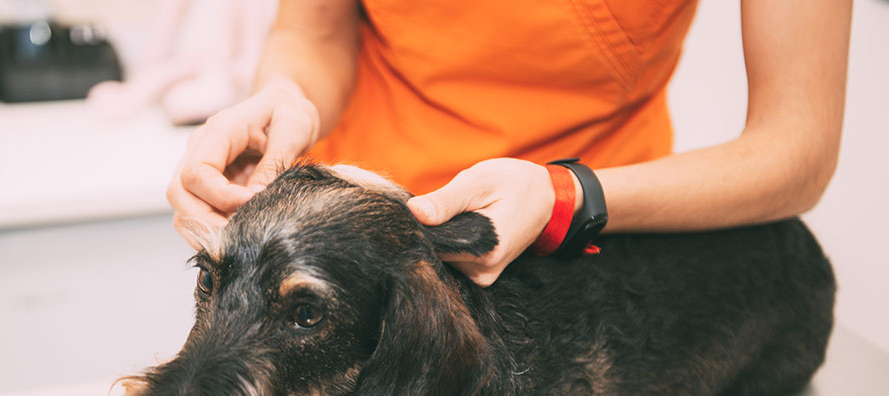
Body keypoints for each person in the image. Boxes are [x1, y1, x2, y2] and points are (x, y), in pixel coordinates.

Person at [166, 0, 851, 286]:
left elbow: (797, 147)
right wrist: (283, 98)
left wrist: (566, 196)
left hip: (585, 256)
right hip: (358, 255)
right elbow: (314, 33)